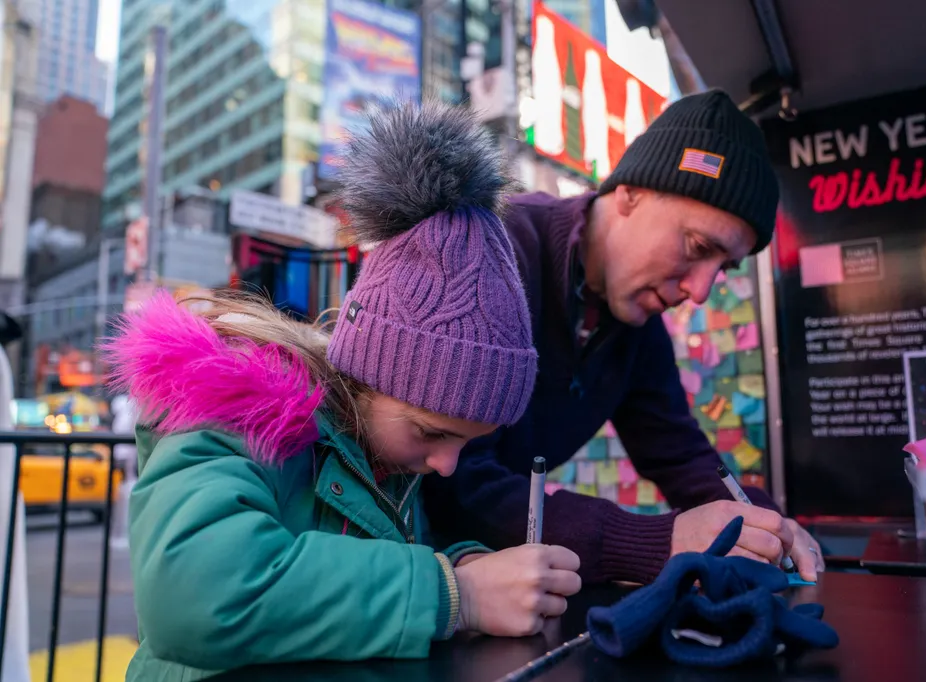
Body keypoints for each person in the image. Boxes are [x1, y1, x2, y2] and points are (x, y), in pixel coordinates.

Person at [101, 100, 581, 681]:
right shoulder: (239, 409)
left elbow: (359, 561)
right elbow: (192, 591)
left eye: (465, 441)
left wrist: (468, 566)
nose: (448, 465)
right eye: (433, 433)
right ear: (369, 374)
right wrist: (457, 594)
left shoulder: (380, 443)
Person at [423, 89, 825, 585]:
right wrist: (659, 540)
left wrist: (765, 524)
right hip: (413, 581)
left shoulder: (636, 325)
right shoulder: (491, 253)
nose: (700, 291)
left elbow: (680, 455)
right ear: (629, 192)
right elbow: (449, 480)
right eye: (698, 246)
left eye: (723, 268)